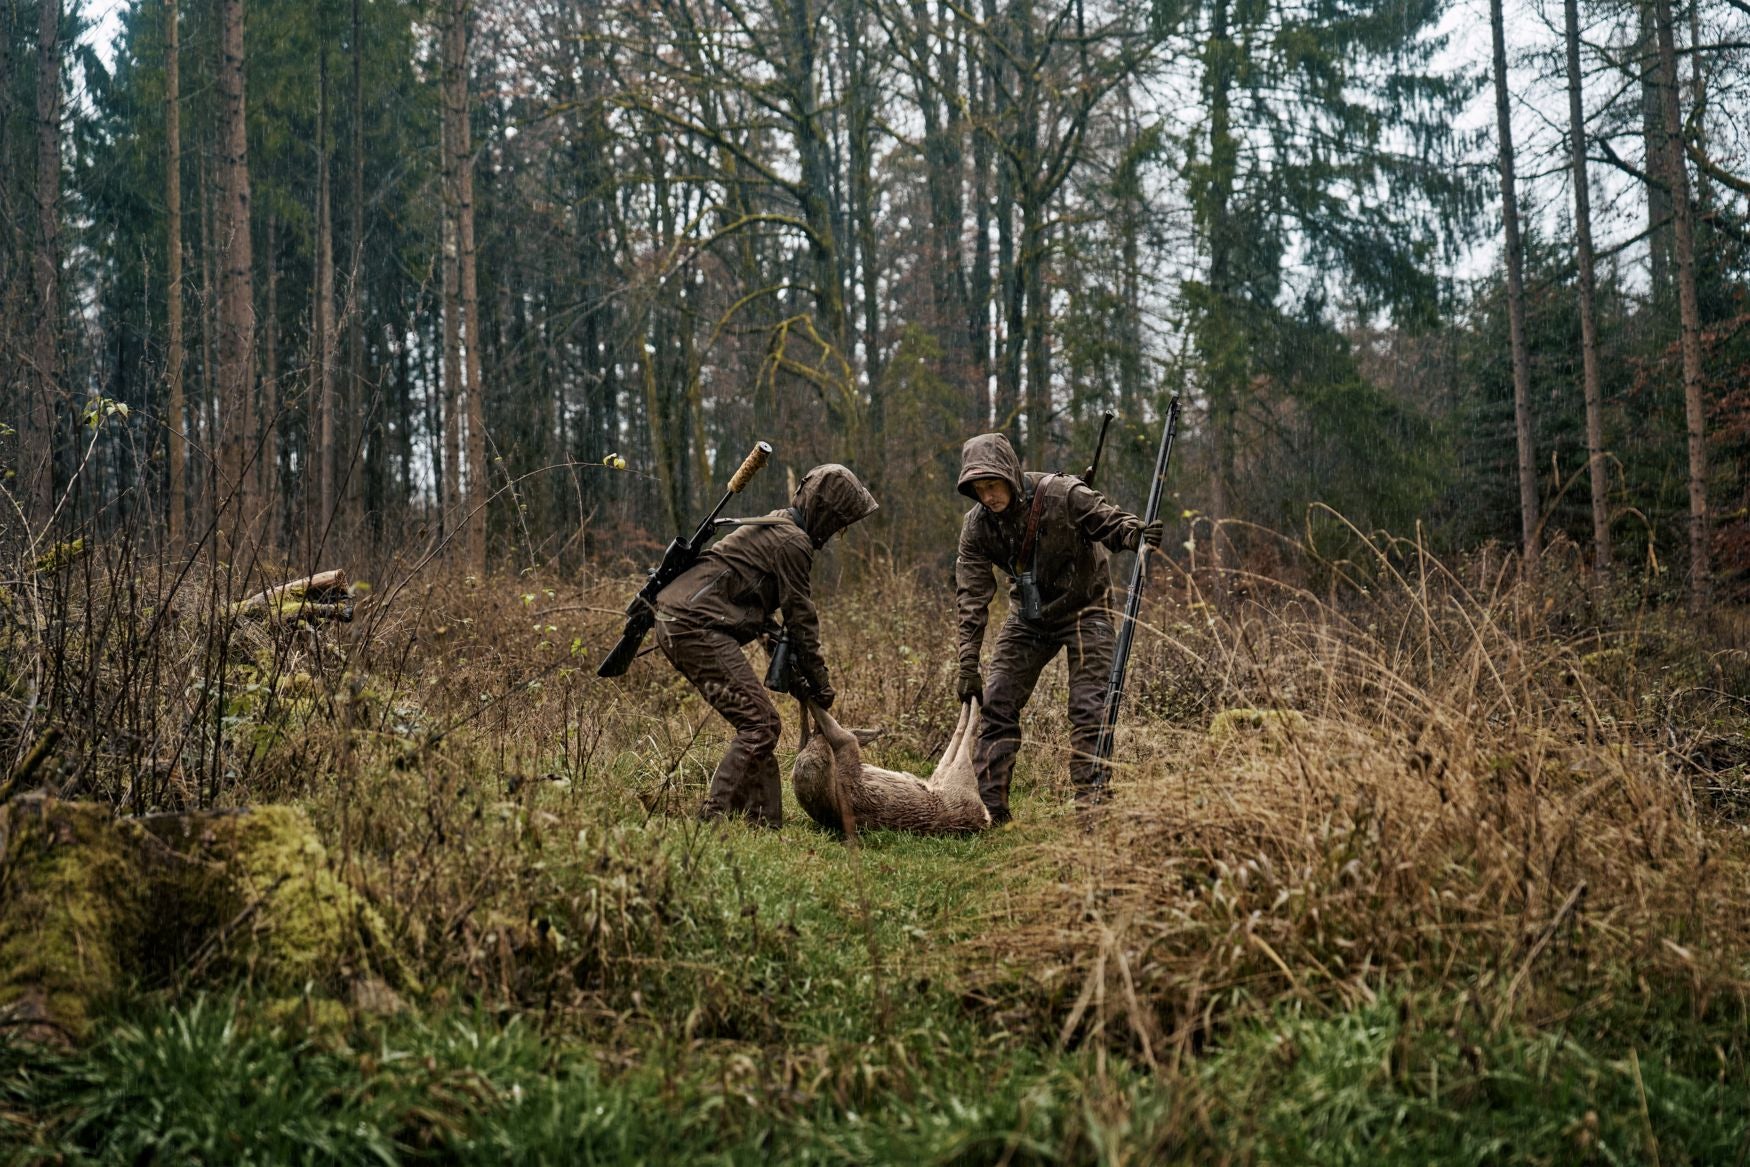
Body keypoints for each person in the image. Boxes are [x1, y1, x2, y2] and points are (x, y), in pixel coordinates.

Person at [953, 433, 1162, 825]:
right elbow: (971, 596)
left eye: (993, 485)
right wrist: (967, 662)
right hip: (1028, 617)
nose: (988, 497)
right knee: (997, 702)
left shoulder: (1064, 494)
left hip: (1087, 611)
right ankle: (991, 812)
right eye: (979, 490)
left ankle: (1093, 810)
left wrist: (1136, 534)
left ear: (1010, 475)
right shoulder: (977, 527)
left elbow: (1110, 522)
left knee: (1089, 709)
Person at [653, 464, 878, 826]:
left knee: (761, 723)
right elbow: (800, 618)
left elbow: (763, 618)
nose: (840, 531)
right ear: (825, 514)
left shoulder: (776, 525)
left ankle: (764, 820)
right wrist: (820, 682)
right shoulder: (793, 542)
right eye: (840, 523)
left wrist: (798, 678)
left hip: (682, 621)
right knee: (760, 725)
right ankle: (712, 817)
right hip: (694, 626)